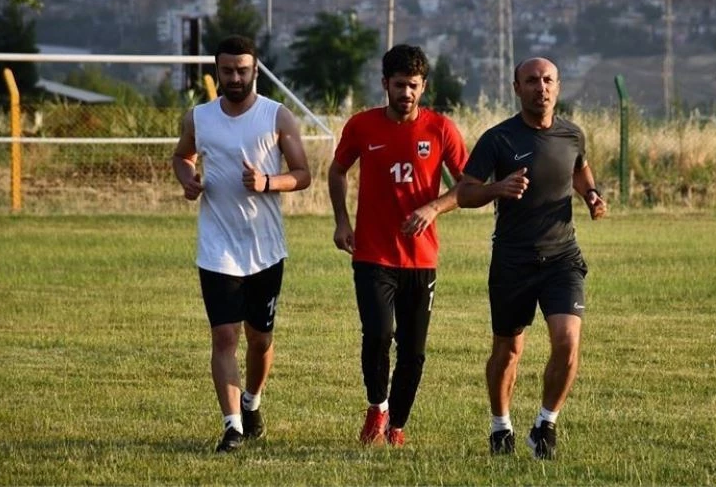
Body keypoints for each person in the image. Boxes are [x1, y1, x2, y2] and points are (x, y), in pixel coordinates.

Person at [457, 57, 607, 460]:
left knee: (568, 342)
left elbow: (580, 171)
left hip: (562, 257)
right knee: (508, 350)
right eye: (532, 81)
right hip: (513, 260)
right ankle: (500, 426)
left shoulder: (572, 134)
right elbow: (465, 193)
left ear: (558, 86)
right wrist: (498, 188)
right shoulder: (498, 139)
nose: (541, 88)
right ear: (517, 88)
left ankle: (545, 425)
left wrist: (591, 195)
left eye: (548, 80)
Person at [172, 34, 311, 453]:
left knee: (260, 340)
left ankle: (252, 402)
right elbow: (182, 156)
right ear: (217, 71)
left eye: (242, 70)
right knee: (224, 337)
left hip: (264, 248)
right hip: (217, 247)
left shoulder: (277, 116)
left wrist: (267, 182)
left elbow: (302, 174)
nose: (235, 77)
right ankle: (232, 426)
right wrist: (188, 180)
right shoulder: (199, 117)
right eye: (228, 70)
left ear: (255, 70)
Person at [328, 44, 469, 447]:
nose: (406, 92)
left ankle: (397, 426)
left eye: (413, 85)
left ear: (424, 87)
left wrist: (434, 207)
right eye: (399, 84)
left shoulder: (440, 129)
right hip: (372, 254)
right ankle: (377, 407)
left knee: (413, 350)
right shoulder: (362, 126)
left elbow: (469, 185)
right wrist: (342, 221)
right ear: (385, 84)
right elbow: (337, 171)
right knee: (377, 333)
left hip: (421, 258)